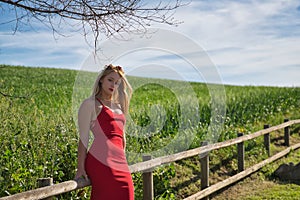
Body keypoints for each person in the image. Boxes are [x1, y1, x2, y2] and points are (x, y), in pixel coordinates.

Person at [75, 64, 134, 199]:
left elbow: (122, 139)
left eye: (117, 83)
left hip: (120, 162)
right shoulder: (91, 104)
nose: (113, 85)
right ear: (101, 79)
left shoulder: (119, 106)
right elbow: (84, 138)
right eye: (110, 80)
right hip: (101, 161)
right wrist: (80, 168)